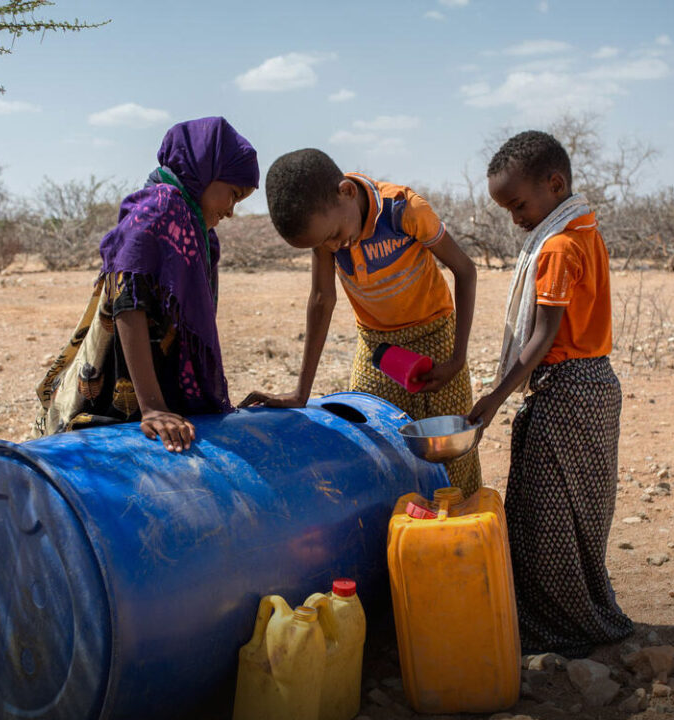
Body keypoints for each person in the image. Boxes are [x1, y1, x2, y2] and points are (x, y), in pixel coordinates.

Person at [469, 130, 633, 658]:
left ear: (554, 183)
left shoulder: (559, 247)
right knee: (575, 509)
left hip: (568, 390)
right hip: (593, 386)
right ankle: (580, 611)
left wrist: (492, 399)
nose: (515, 218)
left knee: (546, 513)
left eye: (517, 204)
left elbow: (541, 338)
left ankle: (559, 624)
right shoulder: (584, 230)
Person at [239, 149, 481, 497]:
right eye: (323, 244)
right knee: (377, 449)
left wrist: (457, 359)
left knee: (450, 456)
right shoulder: (326, 229)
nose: (334, 247)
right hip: (377, 348)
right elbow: (322, 299)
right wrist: (300, 393)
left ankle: (465, 542)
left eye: (335, 235)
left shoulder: (404, 210)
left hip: (435, 337)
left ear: (347, 192)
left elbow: (465, 270)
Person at [34, 117, 259, 453]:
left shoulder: (196, 230)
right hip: (120, 394)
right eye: (233, 195)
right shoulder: (161, 208)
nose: (230, 210)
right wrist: (152, 406)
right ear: (205, 170)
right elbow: (128, 299)